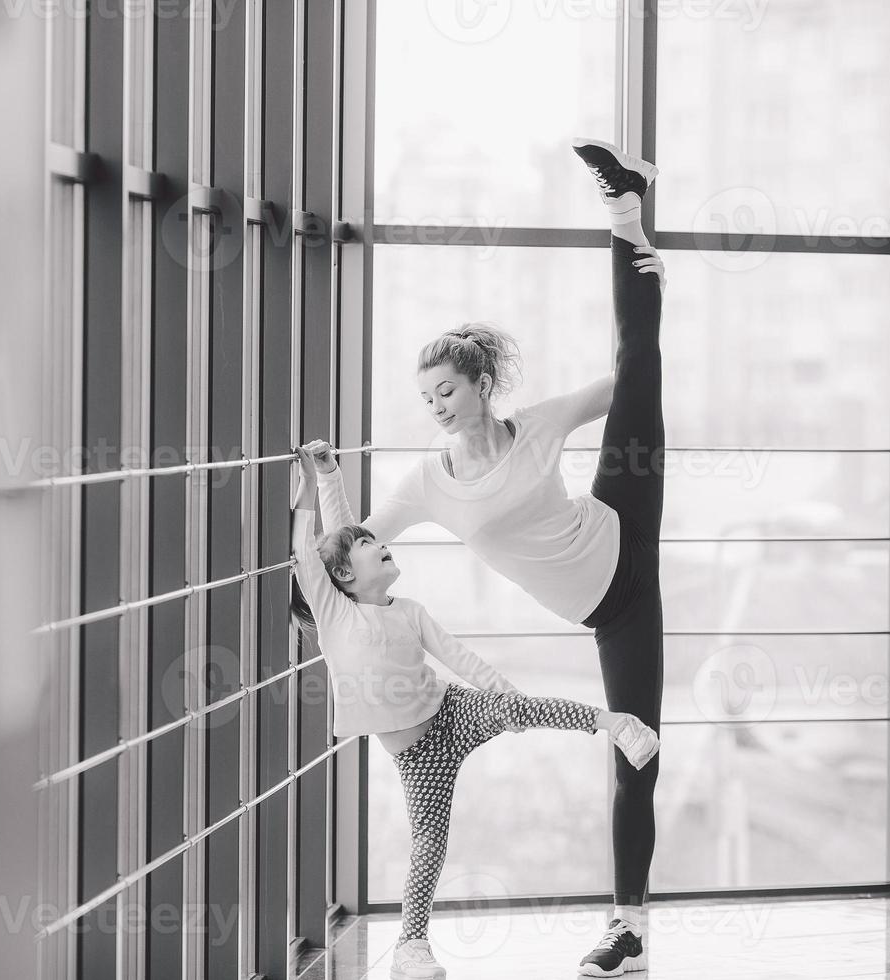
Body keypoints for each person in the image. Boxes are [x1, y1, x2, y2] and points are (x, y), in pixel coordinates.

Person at [307, 137, 668, 976]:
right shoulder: (429, 484)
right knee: (636, 740)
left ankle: (624, 210)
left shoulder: (537, 425)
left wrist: (649, 326)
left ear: (479, 387)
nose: (436, 407)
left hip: (621, 520)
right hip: (615, 607)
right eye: (425, 397)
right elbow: (354, 541)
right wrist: (326, 477)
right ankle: (631, 927)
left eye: (447, 391)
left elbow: (622, 382)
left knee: (640, 360)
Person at [290, 444, 659, 980]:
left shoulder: (410, 611)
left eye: (378, 539)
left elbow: (457, 657)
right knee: (430, 844)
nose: (379, 543)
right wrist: (317, 481)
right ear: (345, 575)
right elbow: (316, 550)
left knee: (527, 708)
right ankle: (411, 948)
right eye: (369, 546)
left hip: (452, 711)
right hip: (419, 756)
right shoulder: (335, 617)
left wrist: (506, 698)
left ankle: (616, 724)